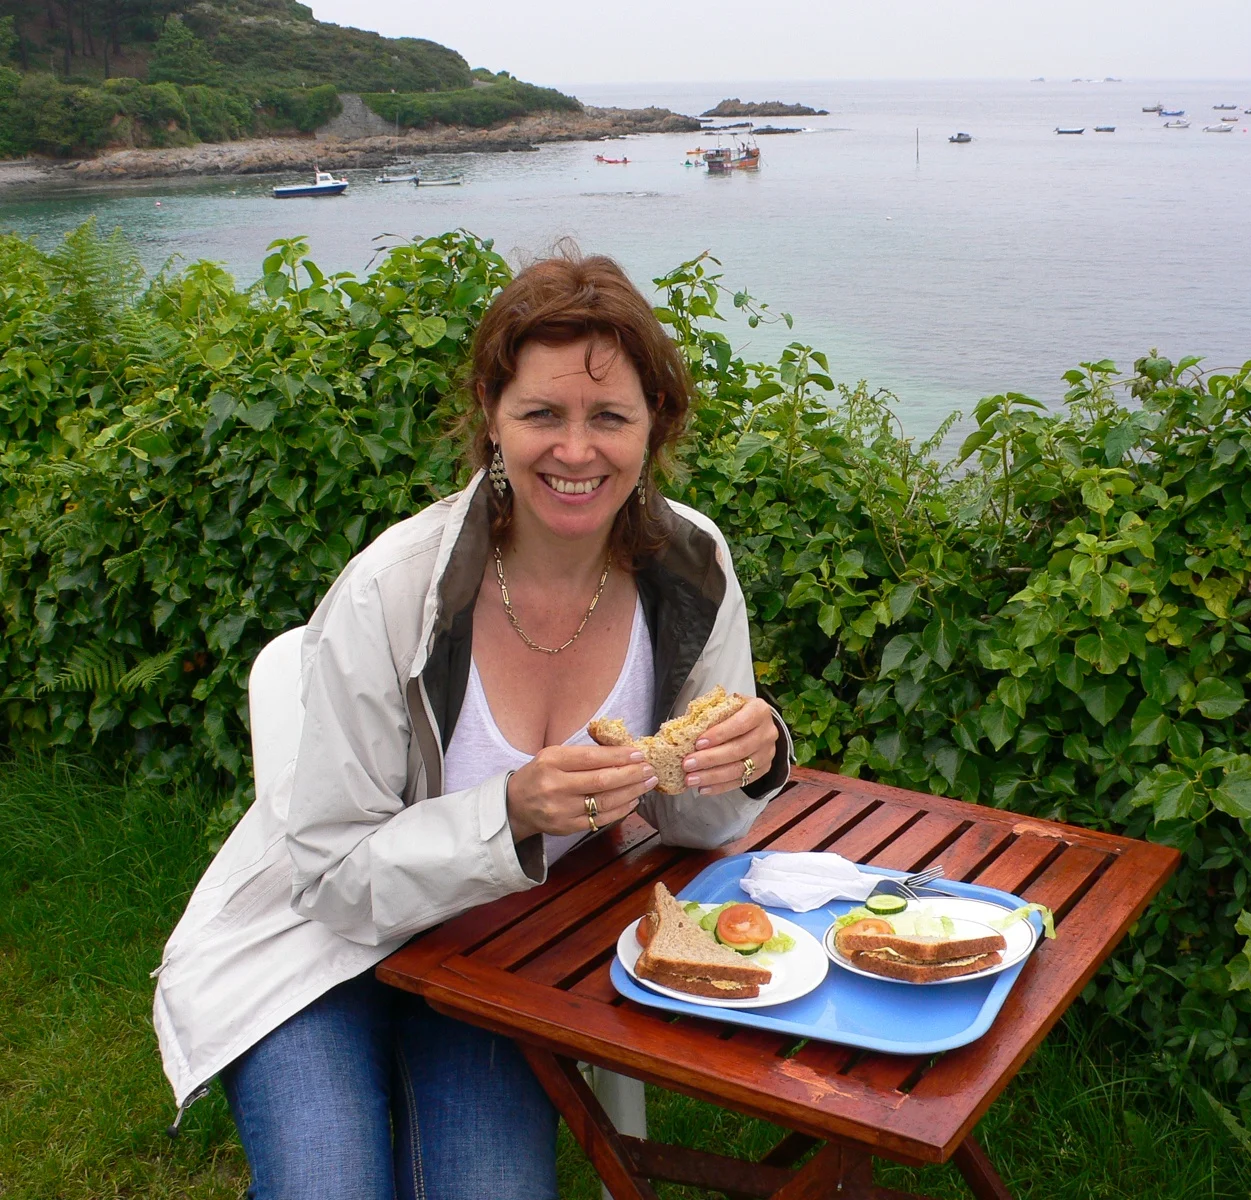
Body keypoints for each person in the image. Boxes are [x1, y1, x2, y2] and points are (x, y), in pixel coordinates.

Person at [152, 252, 793, 1199]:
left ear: (654, 425)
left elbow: (693, 826)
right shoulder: (393, 589)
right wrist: (514, 812)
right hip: (314, 950)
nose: (575, 452)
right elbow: (330, 873)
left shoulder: (689, 566)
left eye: (609, 416)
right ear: (492, 416)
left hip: (498, 956)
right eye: (542, 414)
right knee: (330, 1187)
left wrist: (749, 756)